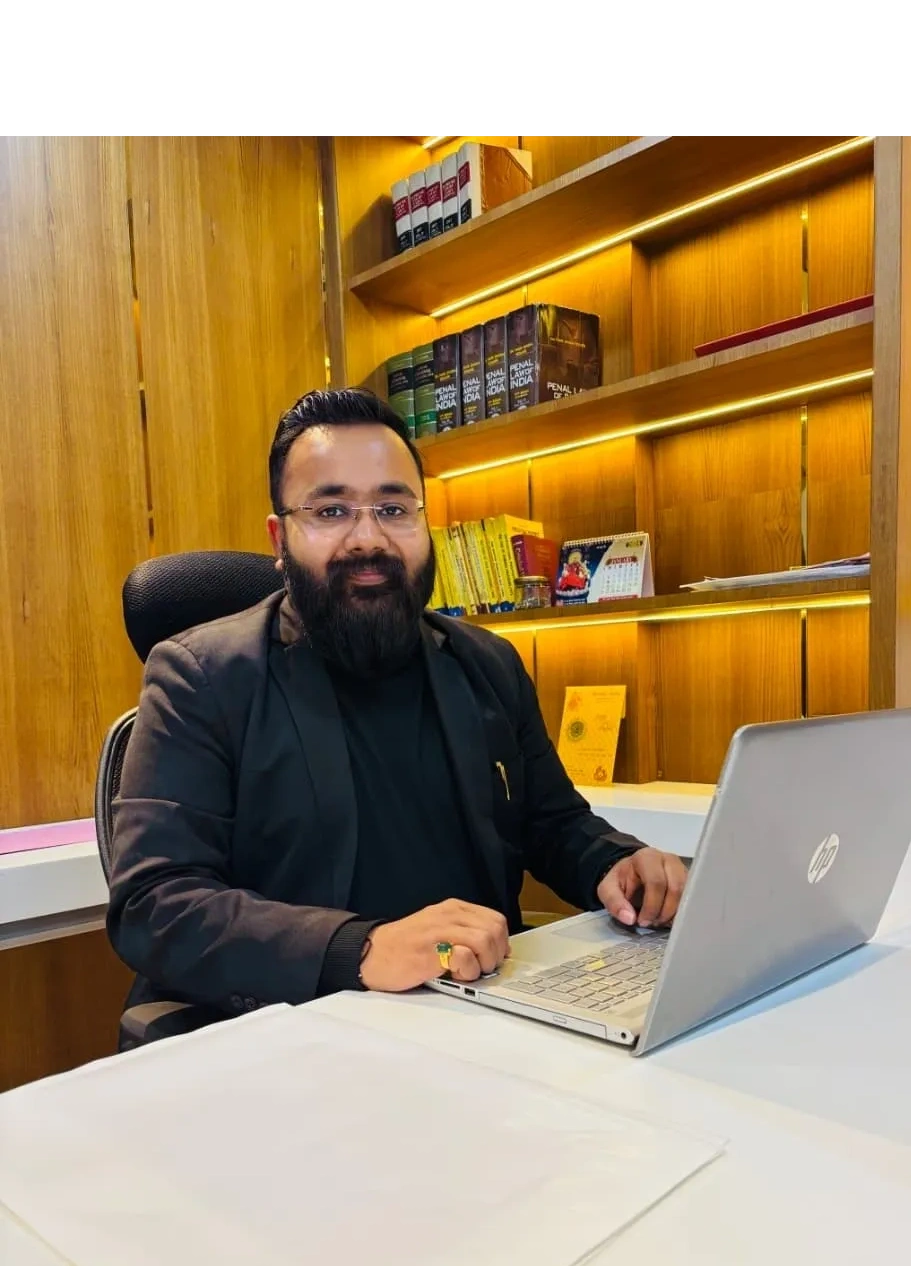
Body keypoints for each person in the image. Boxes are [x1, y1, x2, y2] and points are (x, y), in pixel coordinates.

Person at [108, 389, 689, 1031]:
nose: (369, 539)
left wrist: (617, 864)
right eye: (331, 509)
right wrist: (359, 949)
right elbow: (155, 905)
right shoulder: (201, 677)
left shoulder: (486, 664)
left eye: (393, 508)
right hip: (291, 1034)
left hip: (479, 1017)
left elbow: (551, 824)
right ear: (280, 537)